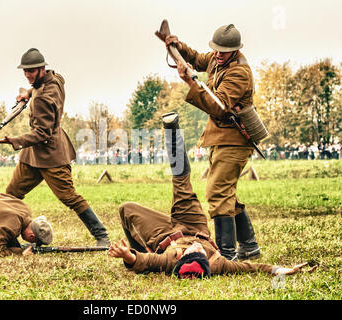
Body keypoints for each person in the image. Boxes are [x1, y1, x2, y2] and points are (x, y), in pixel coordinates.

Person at [108, 113, 316, 279]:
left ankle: (140, 247)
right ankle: (173, 130)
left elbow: (147, 263)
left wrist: (129, 255)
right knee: (182, 182)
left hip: (163, 236)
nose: (196, 248)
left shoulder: (170, 260)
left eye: (192, 252)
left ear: (181, 257)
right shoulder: (217, 263)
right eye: (201, 252)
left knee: (126, 208)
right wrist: (279, 269)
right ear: (207, 260)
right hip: (194, 225)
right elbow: (249, 268)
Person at [0, 48, 110, 247]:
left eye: (31, 71)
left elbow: (42, 133)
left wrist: (13, 140)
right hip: (32, 156)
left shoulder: (42, 99)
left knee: (69, 197)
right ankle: (6, 237)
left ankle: (102, 236)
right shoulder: (55, 80)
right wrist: (26, 93)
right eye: (25, 72)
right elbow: (45, 84)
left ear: (42, 69)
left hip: (51, 155)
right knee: (11, 194)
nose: (28, 75)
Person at [164, 24, 261, 260]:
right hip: (222, 138)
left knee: (217, 192)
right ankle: (248, 246)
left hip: (236, 139)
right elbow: (197, 58)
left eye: (223, 51)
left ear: (235, 50)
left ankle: (226, 254)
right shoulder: (219, 59)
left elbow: (218, 106)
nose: (218, 54)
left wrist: (190, 82)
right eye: (215, 49)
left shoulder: (239, 72)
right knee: (226, 193)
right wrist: (178, 47)